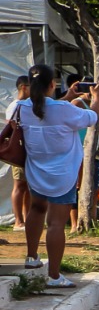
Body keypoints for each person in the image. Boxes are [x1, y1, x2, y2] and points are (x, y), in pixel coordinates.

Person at [16, 65, 99, 287]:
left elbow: (43, 109)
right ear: (52, 84)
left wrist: (66, 97)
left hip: (35, 170)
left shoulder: (19, 108)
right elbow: (92, 117)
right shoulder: (65, 110)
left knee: (36, 209)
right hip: (63, 173)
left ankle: (31, 257)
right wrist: (97, 97)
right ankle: (54, 276)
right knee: (56, 223)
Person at [7, 75, 30, 232]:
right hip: (20, 149)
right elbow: (13, 127)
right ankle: (18, 221)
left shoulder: (28, 104)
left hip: (30, 150)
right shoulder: (15, 105)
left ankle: (27, 219)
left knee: (29, 186)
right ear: (23, 87)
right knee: (19, 184)